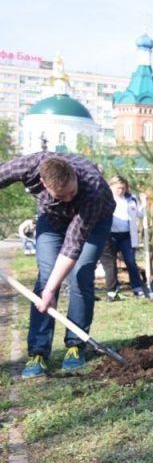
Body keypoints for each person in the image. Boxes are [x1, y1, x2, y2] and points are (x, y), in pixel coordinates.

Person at [0, 153, 114, 378]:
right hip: (51, 219)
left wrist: (53, 289)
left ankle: (75, 344)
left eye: (72, 192)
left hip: (95, 220)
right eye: (62, 195)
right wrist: (49, 288)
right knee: (45, 277)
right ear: (44, 183)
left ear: (74, 175)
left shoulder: (92, 187)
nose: (69, 198)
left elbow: (73, 245)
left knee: (80, 274)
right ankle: (39, 352)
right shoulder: (29, 166)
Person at [99, 175, 147, 300]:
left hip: (127, 235)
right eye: (118, 188)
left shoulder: (131, 199)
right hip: (110, 235)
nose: (121, 191)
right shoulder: (105, 199)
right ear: (111, 187)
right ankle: (112, 290)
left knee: (131, 261)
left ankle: (137, 287)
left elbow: (140, 214)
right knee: (111, 263)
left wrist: (144, 204)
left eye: (123, 188)